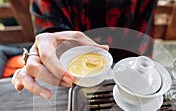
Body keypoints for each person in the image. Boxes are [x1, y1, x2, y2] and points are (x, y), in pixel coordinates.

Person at [11, 0, 158, 100]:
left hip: (124, 81)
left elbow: (139, 52)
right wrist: (45, 55)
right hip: (69, 85)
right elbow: (51, 35)